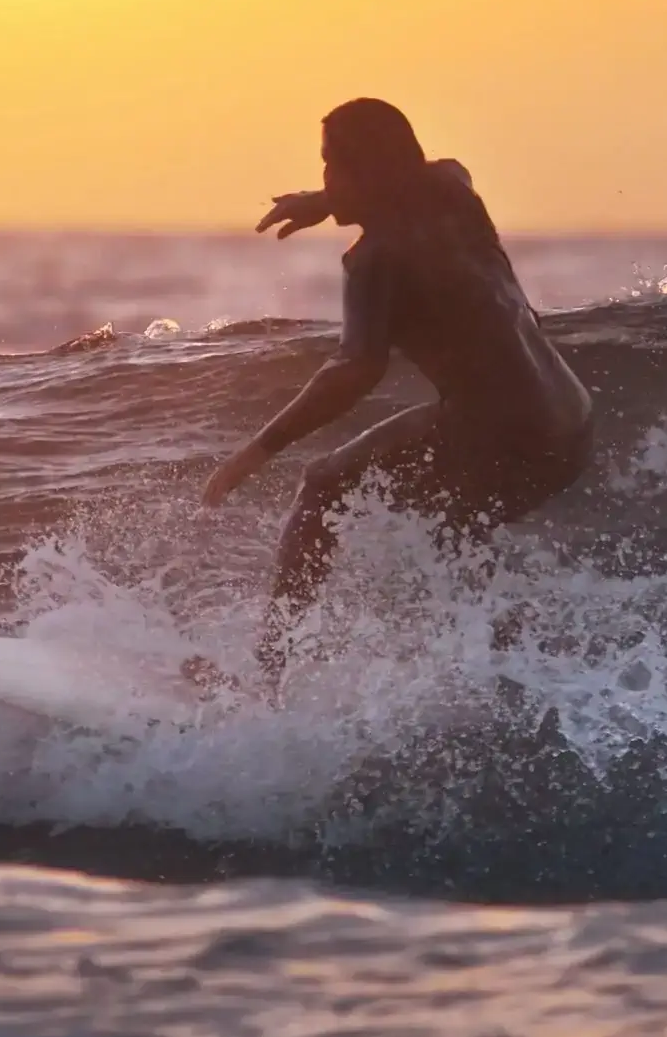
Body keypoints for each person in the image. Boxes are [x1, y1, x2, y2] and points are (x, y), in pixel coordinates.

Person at [200, 99, 594, 682]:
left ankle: (266, 672)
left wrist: (255, 452)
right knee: (457, 522)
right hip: (572, 423)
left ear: (370, 174)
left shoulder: (375, 261)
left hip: (499, 432)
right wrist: (327, 201)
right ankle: (510, 664)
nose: (327, 178)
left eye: (334, 166)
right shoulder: (454, 192)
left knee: (323, 484)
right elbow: (434, 169)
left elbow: (354, 371)